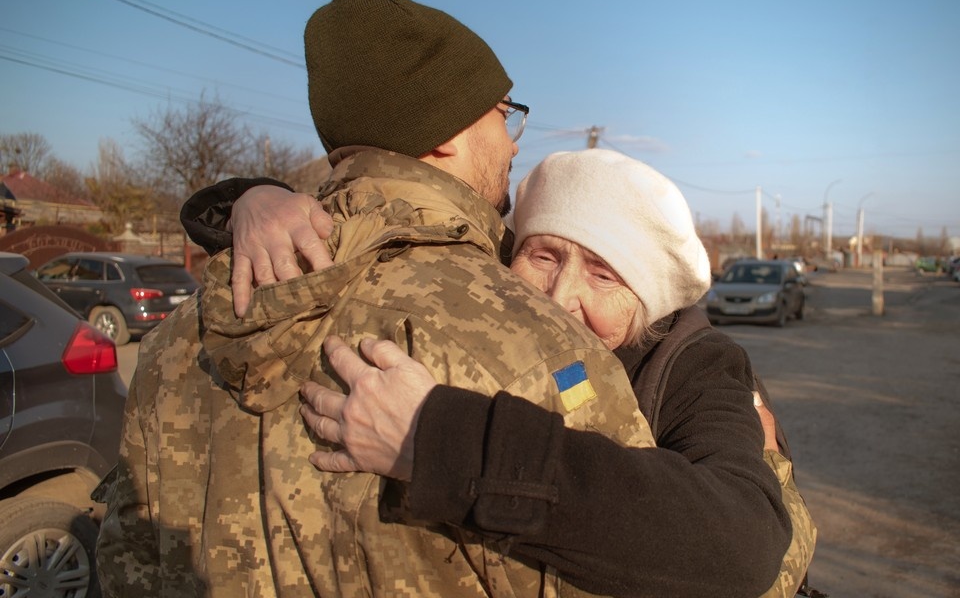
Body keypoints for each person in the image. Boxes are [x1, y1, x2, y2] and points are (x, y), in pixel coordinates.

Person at [95, 0, 659, 597]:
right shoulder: (535, 344)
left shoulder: (182, 337)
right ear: (446, 131)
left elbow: (127, 560)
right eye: (502, 111)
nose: (514, 139)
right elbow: (658, 563)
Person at [181, 150, 805, 596]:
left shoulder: (697, 364)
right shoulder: (496, 321)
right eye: (545, 255)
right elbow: (409, 215)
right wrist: (255, 199)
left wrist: (435, 439)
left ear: (646, 299)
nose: (560, 296)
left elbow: (740, 541)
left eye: (604, 274)